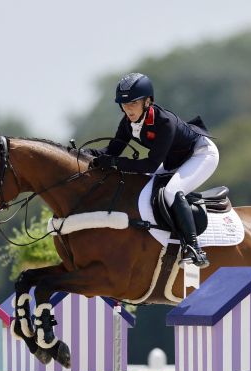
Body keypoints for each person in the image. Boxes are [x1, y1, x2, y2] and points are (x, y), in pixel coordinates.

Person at [89, 72, 219, 268]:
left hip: (200, 154)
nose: (128, 110)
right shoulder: (127, 124)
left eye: (133, 103)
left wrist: (114, 163)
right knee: (143, 189)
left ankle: (194, 249)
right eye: (124, 105)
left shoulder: (164, 122)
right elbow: (111, 151)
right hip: (174, 159)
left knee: (171, 192)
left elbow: (148, 165)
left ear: (148, 101)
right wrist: (81, 154)